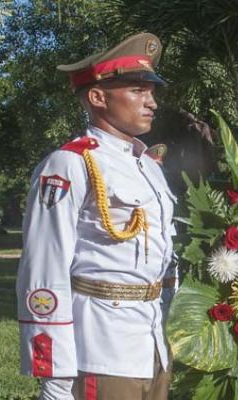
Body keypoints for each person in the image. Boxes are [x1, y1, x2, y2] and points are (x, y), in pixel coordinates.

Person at [15, 33, 177, 400]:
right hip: (103, 345)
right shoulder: (70, 163)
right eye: (137, 91)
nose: (152, 103)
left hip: (152, 339)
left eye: (152, 92)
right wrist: (54, 375)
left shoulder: (148, 166)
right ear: (98, 97)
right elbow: (44, 268)